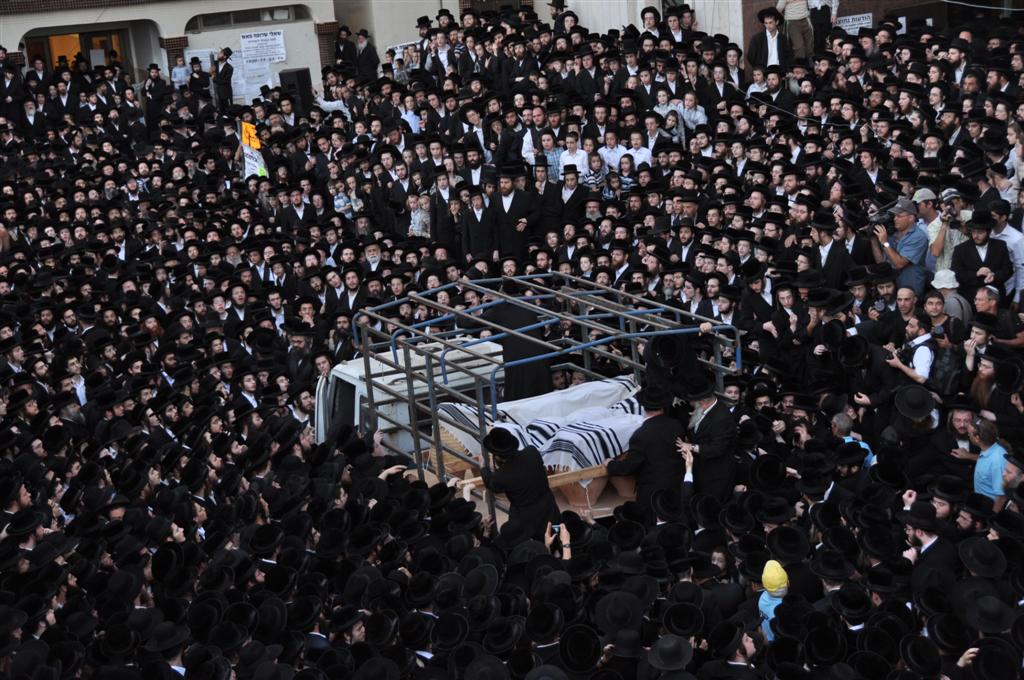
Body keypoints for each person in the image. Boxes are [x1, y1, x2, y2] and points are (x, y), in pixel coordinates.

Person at [605, 384, 686, 518]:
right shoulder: (676, 425)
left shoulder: (641, 435)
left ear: (643, 406)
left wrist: (610, 465)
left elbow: (629, 466)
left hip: (652, 493)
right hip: (676, 486)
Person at [480, 426, 560, 540]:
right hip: (549, 509)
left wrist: (483, 468)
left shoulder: (501, 476)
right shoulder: (532, 452)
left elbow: (491, 484)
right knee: (555, 538)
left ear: (497, 456)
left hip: (526, 519)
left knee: (531, 546)